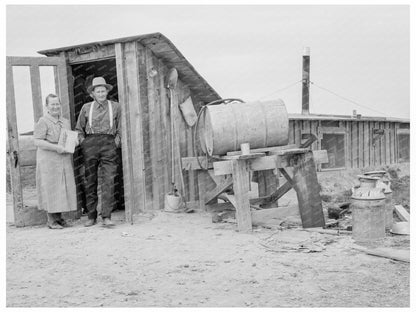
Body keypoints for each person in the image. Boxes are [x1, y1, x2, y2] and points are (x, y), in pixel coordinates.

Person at [76, 77, 121, 227]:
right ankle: (91, 216)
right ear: (93, 94)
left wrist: (116, 142)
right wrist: (84, 143)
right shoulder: (86, 108)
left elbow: (121, 128)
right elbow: (79, 129)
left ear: (107, 92)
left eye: (103, 91)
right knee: (90, 181)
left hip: (109, 144)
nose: (101, 94)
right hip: (91, 144)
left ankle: (106, 216)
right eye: (98, 91)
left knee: (108, 180)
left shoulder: (115, 106)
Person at [34, 94, 77, 229]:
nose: (55, 107)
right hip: (48, 159)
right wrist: (56, 147)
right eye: (52, 104)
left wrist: (73, 141)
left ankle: (59, 218)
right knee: (51, 187)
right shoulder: (43, 121)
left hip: (62, 158)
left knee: (62, 186)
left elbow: (68, 137)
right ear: (47, 106)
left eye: (57, 104)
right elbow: (38, 141)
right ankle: (51, 220)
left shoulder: (65, 121)